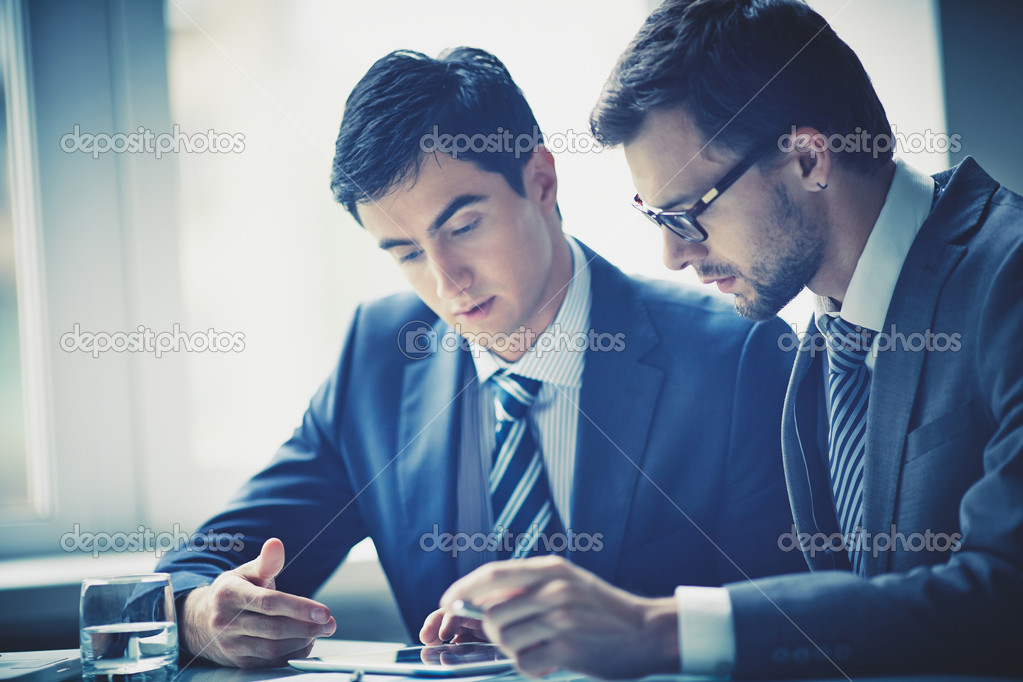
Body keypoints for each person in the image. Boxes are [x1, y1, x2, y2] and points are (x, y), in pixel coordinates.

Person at [155, 46, 805, 668]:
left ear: (542, 181)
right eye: (406, 252)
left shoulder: (737, 357)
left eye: (462, 227)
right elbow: (197, 567)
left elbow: (801, 627)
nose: (446, 282)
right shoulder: (376, 363)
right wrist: (200, 615)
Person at [439, 1, 1023, 678]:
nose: (670, 255)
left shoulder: (1007, 280)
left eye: (686, 213)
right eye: (654, 217)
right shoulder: (821, 341)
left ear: (807, 157)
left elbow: (1004, 597)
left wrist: (659, 629)